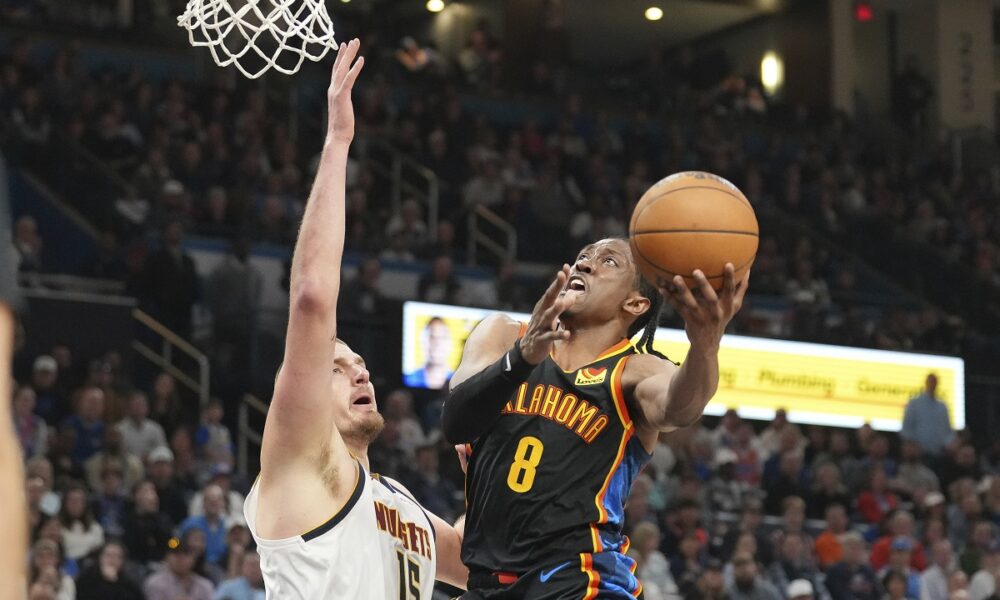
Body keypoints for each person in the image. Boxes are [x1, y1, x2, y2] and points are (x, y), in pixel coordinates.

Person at [242, 39, 466, 599]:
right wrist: (339, 141)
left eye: (360, 364)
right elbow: (314, 297)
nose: (361, 373)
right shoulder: (298, 462)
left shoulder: (397, 501)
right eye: (339, 367)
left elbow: (479, 564)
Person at [443, 227, 749, 596]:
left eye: (608, 262)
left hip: (581, 579)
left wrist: (704, 345)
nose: (586, 265)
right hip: (486, 581)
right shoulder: (502, 334)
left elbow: (680, 408)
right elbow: (456, 422)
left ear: (635, 303)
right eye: (584, 256)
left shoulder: (637, 370)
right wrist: (522, 356)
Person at [901, 374, 955, 460]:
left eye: (934, 382)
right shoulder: (914, 404)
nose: (932, 385)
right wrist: (913, 446)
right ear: (926, 383)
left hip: (939, 455)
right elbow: (906, 428)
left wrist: (948, 444)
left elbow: (947, 430)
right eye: (930, 382)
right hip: (918, 455)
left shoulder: (942, 407)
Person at [143, 537, 215, 600]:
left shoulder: (205, 586)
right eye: (175, 553)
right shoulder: (156, 583)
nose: (180, 558)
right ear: (167, 557)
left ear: (193, 559)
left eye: (185, 554)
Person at [75, 540, 143, 600]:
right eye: (108, 555)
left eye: (117, 556)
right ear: (100, 558)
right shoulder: (86, 578)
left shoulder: (129, 582)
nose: (112, 559)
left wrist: (113, 581)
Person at [404, 317, 455, 389]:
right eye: (432, 337)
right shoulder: (410, 378)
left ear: (450, 344)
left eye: (442, 338)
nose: (437, 344)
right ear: (423, 342)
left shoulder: (458, 382)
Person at [826, 532, 879, 600]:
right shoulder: (834, 571)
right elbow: (839, 595)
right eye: (852, 548)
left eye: (859, 547)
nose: (856, 551)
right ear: (843, 549)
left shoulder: (868, 570)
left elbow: (878, 593)